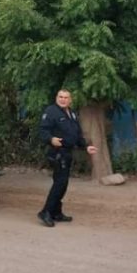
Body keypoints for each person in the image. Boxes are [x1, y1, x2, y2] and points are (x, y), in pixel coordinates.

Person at [38, 89, 97, 227]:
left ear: (70, 100)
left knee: (62, 184)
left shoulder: (72, 114)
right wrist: (51, 139)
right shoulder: (51, 111)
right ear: (56, 97)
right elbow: (43, 130)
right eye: (60, 97)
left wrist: (86, 147)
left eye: (66, 97)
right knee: (60, 183)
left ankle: (56, 212)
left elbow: (76, 134)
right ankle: (45, 212)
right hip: (57, 152)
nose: (63, 99)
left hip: (67, 153)